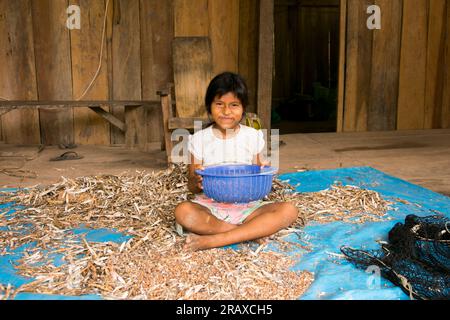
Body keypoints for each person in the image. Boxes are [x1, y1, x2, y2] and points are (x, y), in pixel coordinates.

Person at [174, 72, 298, 251]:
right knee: (183, 211)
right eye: (219, 104)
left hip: (248, 206)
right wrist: (196, 180)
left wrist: (263, 170)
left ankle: (214, 240)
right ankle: (247, 233)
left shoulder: (252, 136)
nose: (226, 112)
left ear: (243, 108)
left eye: (234, 105)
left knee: (289, 210)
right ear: (209, 106)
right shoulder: (199, 139)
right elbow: (192, 187)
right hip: (211, 207)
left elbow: (258, 171)